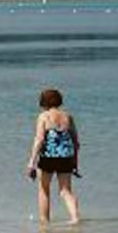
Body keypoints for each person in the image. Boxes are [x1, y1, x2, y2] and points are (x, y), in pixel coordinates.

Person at [26, 87, 81, 225]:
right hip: (66, 157)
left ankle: (45, 222)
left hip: (48, 157)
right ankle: (75, 218)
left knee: (44, 189)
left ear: (43, 102)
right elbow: (76, 142)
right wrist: (75, 162)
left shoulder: (43, 117)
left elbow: (39, 139)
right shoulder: (68, 117)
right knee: (65, 191)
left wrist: (31, 162)